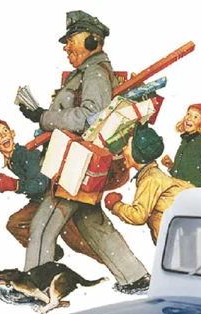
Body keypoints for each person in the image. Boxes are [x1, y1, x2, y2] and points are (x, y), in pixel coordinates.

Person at [19, 10, 150, 294]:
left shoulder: (94, 73)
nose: (66, 47)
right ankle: (136, 277)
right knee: (91, 222)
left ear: (93, 41)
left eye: (71, 40)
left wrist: (43, 117)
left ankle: (36, 287)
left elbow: (90, 117)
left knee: (43, 224)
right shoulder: (87, 73)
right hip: (81, 163)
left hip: (80, 164)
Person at [0, 118, 102, 265]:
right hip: (41, 199)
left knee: (77, 241)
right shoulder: (11, 160)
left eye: (5, 131)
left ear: (12, 133)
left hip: (54, 197)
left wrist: (16, 185)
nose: (3, 136)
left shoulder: (25, 154)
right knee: (15, 224)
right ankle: (51, 251)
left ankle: (105, 259)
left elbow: (40, 183)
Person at [104, 125, 193, 245]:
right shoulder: (155, 175)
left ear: (136, 154)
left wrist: (115, 205)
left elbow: (138, 216)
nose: (124, 149)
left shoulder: (150, 179)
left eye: (128, 146)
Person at [161, 104, 201, 187]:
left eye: (195, 117)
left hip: (190, 191)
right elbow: (182, 174)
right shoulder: (185, 140)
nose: (189, 118)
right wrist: (170, 166)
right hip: (179, 188)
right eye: (188, 114)